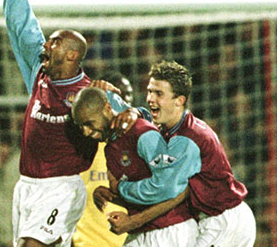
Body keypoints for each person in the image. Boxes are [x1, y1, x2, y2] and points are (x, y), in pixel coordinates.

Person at [0, 0, 139, 247]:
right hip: (27, 187)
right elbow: (25, 32)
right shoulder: (40, 75)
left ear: (72, 55)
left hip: (61, 187)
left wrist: (136, 114)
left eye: (54, 42)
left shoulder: (91, 95)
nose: (46, 45)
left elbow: (133, 120)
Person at [107, 60, 257, 247]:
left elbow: (165, 191)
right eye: (150, 91)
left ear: (180, 100)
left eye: (159, 93)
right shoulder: (171, 127)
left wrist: (121, 191)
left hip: (223, 221)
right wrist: (128, 107)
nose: (150, 98)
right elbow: (140, 117)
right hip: (209, 219)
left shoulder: (188, 140)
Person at [72, 87, 201, 247]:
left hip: (171, 230)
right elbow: (142, 198)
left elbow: (178, 189)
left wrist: (132, 221)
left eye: (89, 123)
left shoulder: (142, 133)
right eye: (81, 126)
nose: (85, 132)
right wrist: (113, 197)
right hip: (142, 232)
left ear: (107, 108)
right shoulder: (110, 148)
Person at [72, 72, 135, 247]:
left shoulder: (139, 144)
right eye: (117, 100)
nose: (123, 106)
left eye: (127, 98)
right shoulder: (82, 146)